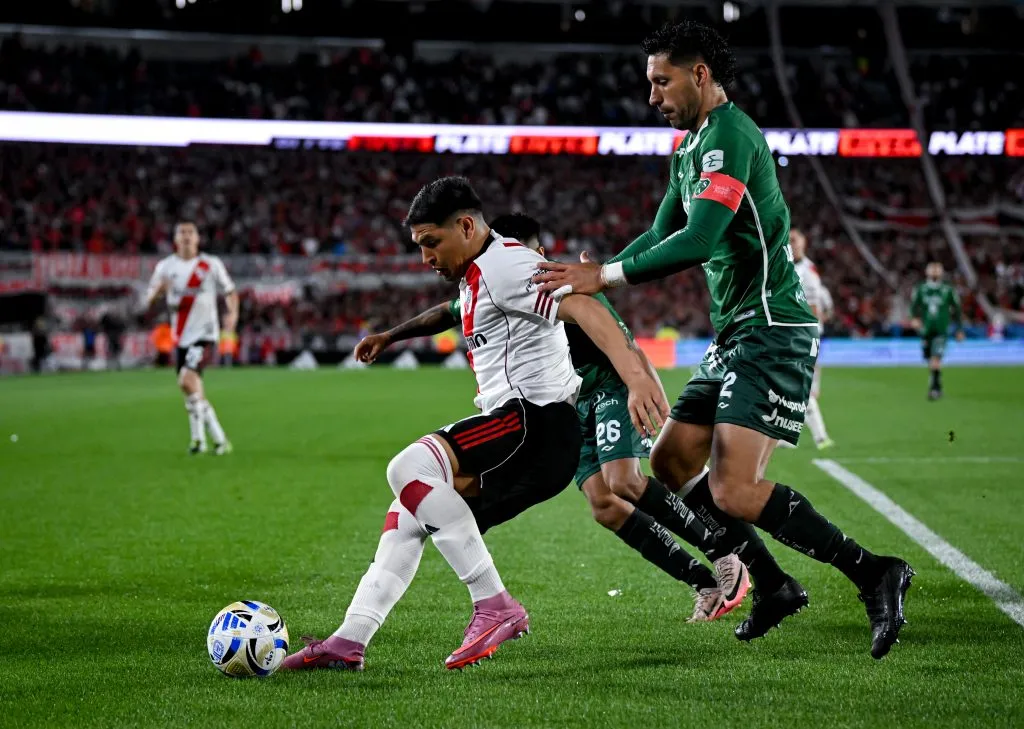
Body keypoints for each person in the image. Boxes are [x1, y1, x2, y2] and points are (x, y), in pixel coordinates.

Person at [533, 21, 913, 659]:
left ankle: (874, 572)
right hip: (735, 333)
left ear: (700, 74)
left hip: (772, 327)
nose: (652, 96)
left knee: (734, 488)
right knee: (671, 463)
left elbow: (700, 239)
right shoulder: (689, 148)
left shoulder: (731, 136)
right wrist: (599, 276)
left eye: (662, 81)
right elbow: (661, 234)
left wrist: (606, 276)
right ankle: (773, 584)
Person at [282, 177, 669, 672]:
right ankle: (349, 640)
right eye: (419, 245)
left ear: (466, 226)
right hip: (529, 437)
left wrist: (635, 376)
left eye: (431, 242)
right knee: (407, 514)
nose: (426, 257)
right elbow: (444, 314)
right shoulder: (478, 272)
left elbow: (583, 305)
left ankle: (494, 604)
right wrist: (390, 336)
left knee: (408, 468)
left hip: (533, 424)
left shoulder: (506, 265)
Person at [354, 211, 768, 623]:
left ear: (538, 252)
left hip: (608, 385)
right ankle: (702, 582)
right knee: (605, 506)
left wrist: (642, 382)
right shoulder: (494, 284)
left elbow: (620, 337)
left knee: (624, 480)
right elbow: (448, 311)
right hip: (568, 404)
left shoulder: (559, 282)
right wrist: (390, 335)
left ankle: (724, 553)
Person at [145, 220, 238, 455]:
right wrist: (158, 292)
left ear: (197, 238)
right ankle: (204, 441)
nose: (186, 236)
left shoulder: (210, 264)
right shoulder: (165, 267)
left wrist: (232, 315)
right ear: (175, 239)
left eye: (190, 232)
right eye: (182, 232)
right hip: (180, 336)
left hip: (205, 334)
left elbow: (230, 291)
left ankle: (214, 439)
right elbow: (148, 301)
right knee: (193, 391)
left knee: (186, 381)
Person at [788, 228, 834, 449]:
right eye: (788, 240)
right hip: (789, 334)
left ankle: (820, 437)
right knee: (789, 386)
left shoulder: (807, 271)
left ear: (803, 243)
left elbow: (815, 309)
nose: (791, 244)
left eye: (794, 240)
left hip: (801, 335)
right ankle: (786, 437)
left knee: (798, 386)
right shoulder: (784, 265)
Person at [910, 262, 964, 400]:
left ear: (941, 272)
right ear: (927, 272)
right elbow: (914, 307)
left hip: (941, 329)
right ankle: (936, 381)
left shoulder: (948, 290)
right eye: (932, 270)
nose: (934, 272)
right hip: (926, 330)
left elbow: (957, 310)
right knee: (929, 358)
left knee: (936, 358)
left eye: (937, 270)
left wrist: (959, 329)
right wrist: (914, 319)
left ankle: (934, 389)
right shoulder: (921, 289)